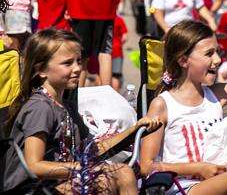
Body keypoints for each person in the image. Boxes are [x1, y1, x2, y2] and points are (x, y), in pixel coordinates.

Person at [2, 28, 160, 194]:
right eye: (67, 63)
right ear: (41, 70)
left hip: (56, 185)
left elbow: (92, 151)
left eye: (78, 61)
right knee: (114, 176)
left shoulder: (66, 106)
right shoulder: (40, 107)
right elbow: (34, 165)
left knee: (123, 172)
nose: (77, 68)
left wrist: (135, 130)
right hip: (31, 189)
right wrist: (85, 168)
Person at [139, 20, 227, 195]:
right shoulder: (163, 104)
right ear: (183, 60)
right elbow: (146, 167)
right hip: (181, 186)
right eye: (209, 53)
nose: (217, 60)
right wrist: (198, 168)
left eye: (218, 52)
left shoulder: (217, 94)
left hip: (219, 178)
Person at [111, 12, 128, 91]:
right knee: (116, 75)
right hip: (117, 50)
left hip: (102, 51)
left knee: (101, 75)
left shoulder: (102, 19)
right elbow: (125, 37)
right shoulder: (119, 19)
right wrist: (119, 43)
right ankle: (115, 97)